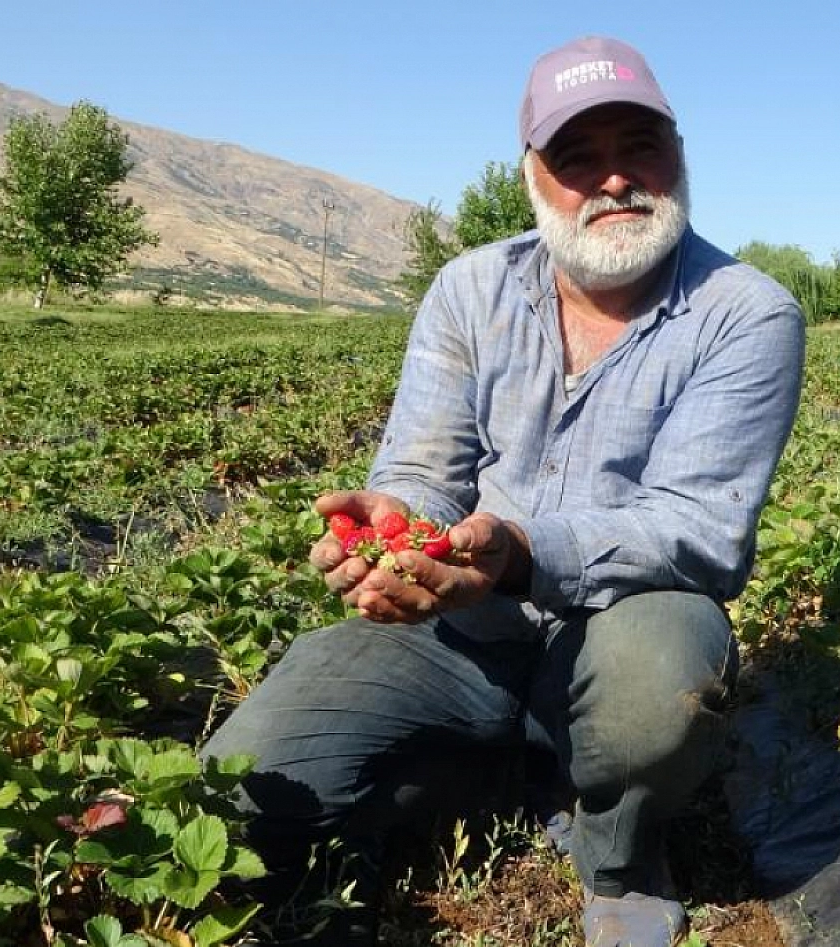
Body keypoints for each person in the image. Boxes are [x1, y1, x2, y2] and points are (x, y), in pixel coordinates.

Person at [203, 34, 805, 947]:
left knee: (660, 680)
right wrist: (398, 526)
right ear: (534, 173)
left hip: (618, 627)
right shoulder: (470, 288)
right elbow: (422, 468)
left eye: (639, 146)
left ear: (678, 155)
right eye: (579, 156)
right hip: (463, 634)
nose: (614, 181)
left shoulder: (747, 313)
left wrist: (521, 553)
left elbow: (698, 529)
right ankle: (515, 765)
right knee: (250, 784)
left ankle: (618, 850)